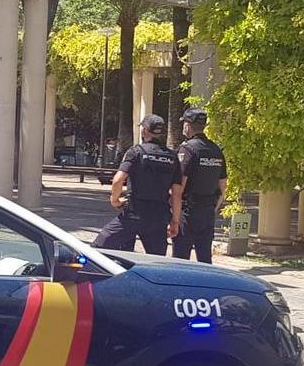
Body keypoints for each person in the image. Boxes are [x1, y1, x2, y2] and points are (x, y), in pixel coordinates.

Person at [93, 115, 182, 255]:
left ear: (144, 130)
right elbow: (177, 194)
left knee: (98, 248)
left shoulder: (136, 152)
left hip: (133, 215)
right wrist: (175, 221)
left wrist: (115, 200)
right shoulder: (172, 157)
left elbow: (118, 180)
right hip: (158, 219)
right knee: (156, 262)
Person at [173, 108, 227, 263]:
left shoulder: (188, 149)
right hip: (207, 212)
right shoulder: (216, 150)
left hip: (188, 212)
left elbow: (179, 187)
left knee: (180, 261)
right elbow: (223, 187)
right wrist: (212, 208)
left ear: (188, 126)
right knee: (204, 259)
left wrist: (174, 217)